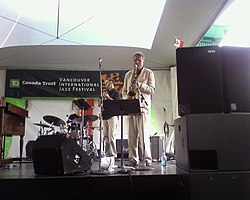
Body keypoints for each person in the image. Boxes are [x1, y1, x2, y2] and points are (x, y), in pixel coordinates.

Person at [122, 51, 156, 168]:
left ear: (143, 61)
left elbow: (152, 89)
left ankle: (147, 159)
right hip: (131, 108)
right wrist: (126, 97)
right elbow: (124, 91)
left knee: (144, 135)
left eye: (139, 60)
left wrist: (140, 85)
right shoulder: (128, 75)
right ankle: (133, 159)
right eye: (135, 60)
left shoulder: (149, 73)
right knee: (131, 136)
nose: (137, 62)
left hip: (143, 108)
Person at [102, 78, 120, 158]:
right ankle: (106, 153)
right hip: (105, 115)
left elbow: (116, 104)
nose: (106, 85)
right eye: (105, 83)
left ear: (111, 83)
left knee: (111, 136)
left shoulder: (116, 93)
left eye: (107, 83)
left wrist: (108, 97)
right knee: (105, 135)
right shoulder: (106, 93)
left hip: (112, 116)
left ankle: (113, 154)